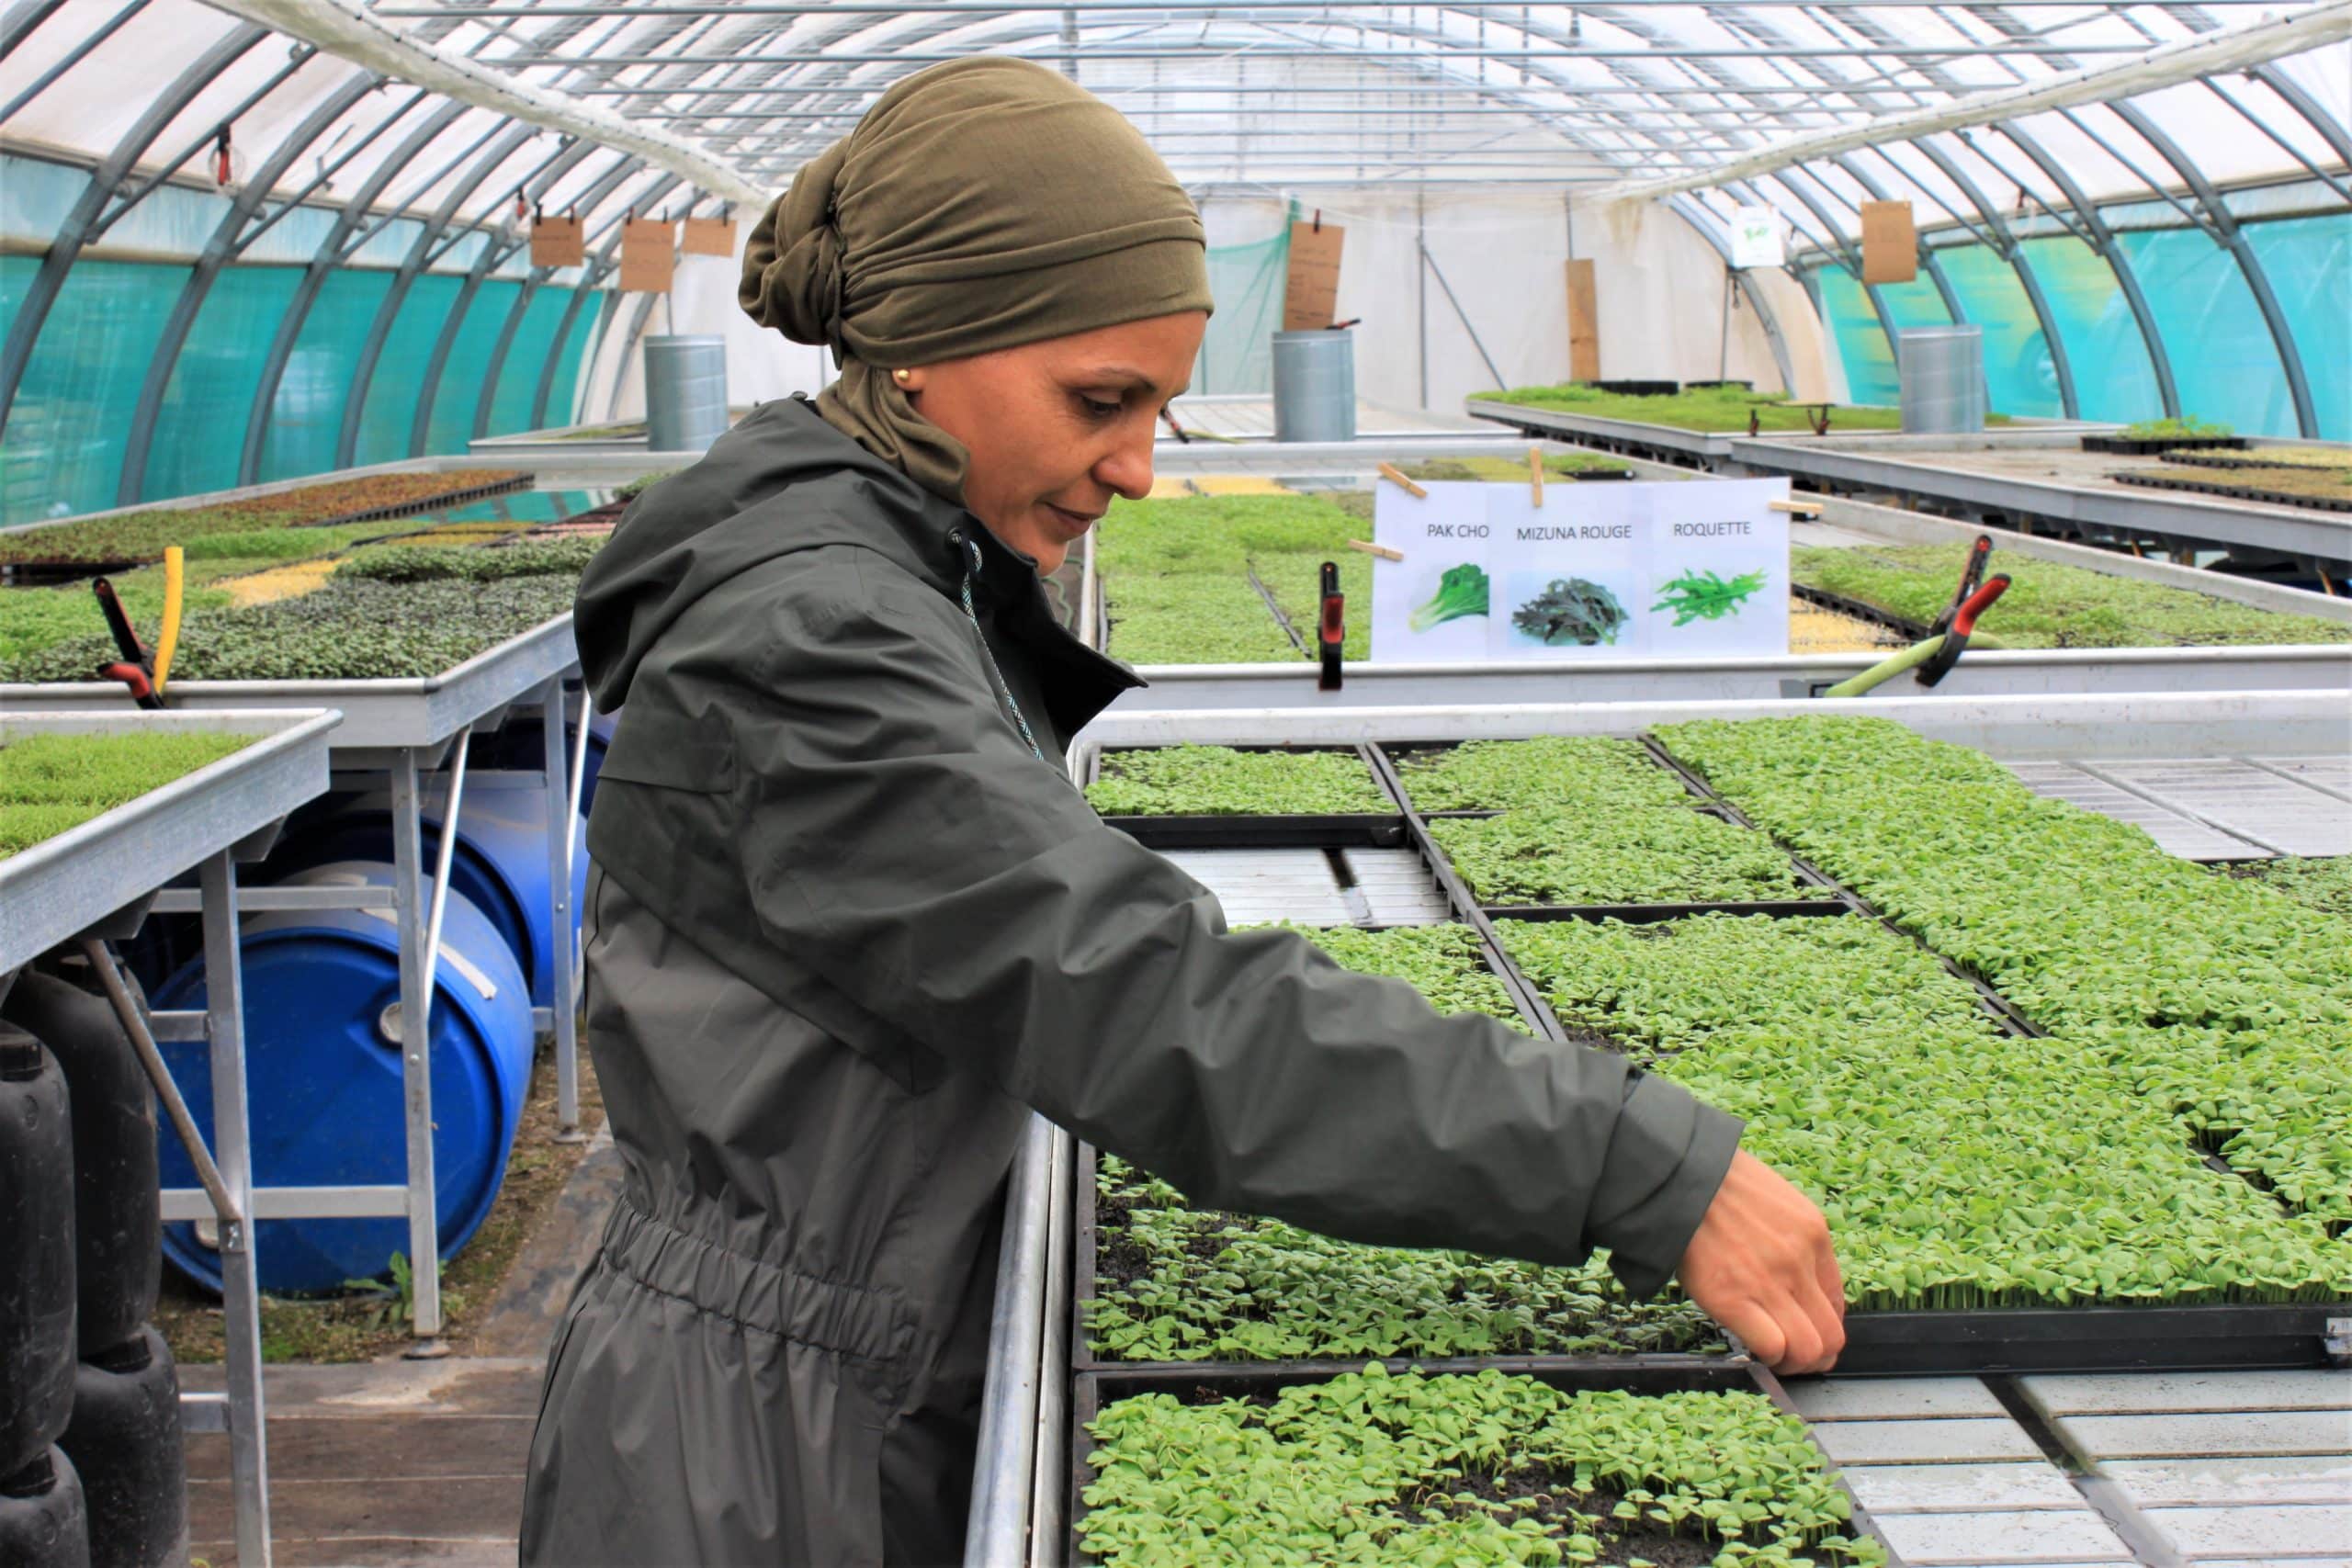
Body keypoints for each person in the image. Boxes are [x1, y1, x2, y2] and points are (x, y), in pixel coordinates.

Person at [520, 55, 1843, 1568]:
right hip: (756, 1448)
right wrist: (1622, 1157)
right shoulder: (810, 638)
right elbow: (1133, 993)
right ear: (922, 352)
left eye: (1157, 404)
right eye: (1102, 401)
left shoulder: (886, 558)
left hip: (843, 1365)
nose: (1141, 468)